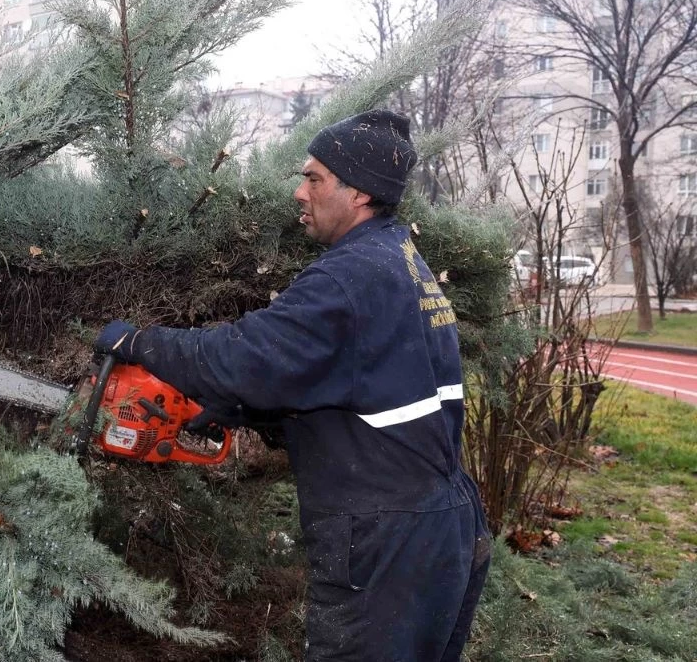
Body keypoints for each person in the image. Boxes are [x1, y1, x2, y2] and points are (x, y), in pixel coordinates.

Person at [94, 109, 491, 661]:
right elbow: (363, 388)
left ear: (359, 194)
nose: (300, 193)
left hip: (387, 542)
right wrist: (252, 414)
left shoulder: (349, 277)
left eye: (314, 178)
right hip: (440, 522)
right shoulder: (400, 262)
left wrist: (137, 344)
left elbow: (242, 358)